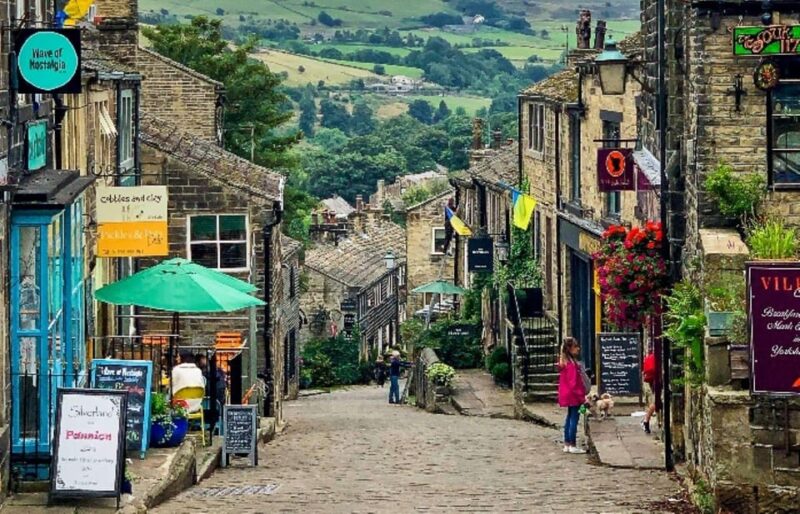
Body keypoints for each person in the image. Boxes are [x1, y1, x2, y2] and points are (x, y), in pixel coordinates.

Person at [558, 337, 588, 454]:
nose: (578, 349)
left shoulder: (565, 363)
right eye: (576, 347)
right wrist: (582, 398)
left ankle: (566, 443)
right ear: (570, 349)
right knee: (574, 419)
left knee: (569, 418)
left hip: (567, 395)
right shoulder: (571, 365)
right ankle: (572, 444)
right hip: (573, 396)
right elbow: (574, 384)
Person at [642, 352, 657, 434]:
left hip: (652, 381)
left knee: (655, 403)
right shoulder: (658, 357)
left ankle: (646, 420)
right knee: (655, 403)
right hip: (655, 381)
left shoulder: (651, 357)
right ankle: (646, 420)